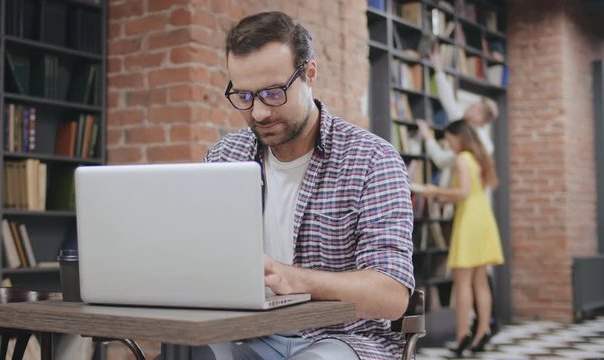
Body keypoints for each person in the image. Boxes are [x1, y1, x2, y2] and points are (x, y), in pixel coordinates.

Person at [200, 11, 414, 360]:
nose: (258, 113)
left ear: (310, 73)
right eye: (243, 96)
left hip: (344, 338)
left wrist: (294, 280)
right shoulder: (226, 155)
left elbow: (390, 295)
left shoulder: (372, 160)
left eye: (272, 93)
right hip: (247, 333)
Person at [417, 120, 504, 357]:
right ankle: (482, 330)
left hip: (469, 222)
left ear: (459, 137)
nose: (449, 144)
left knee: (462, 281)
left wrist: (434, 191)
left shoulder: (461, 159)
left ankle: (462, 335)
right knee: (480, 281)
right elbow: (470, 193)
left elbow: (463, 192)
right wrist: (448, 198)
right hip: (483, 218)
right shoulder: (479, 158)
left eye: (450, 139)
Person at [416, 45, 499, 168]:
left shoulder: (476, 143)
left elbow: (442, 161)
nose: (467, 108)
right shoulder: (466, 127)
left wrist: (428, 137)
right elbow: (449, 101)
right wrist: (439, 70)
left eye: (472, 107)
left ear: (479, 117)